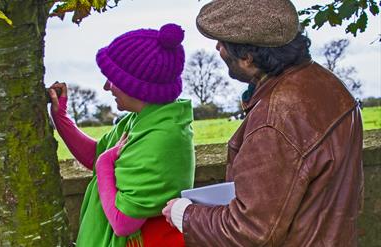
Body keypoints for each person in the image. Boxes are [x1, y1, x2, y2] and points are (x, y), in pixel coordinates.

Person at [162, 0, 364, 246]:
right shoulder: (328, 83)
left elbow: (249, 231)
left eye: (223, 44)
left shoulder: (275, 119)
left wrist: (184, 214)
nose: (217, 48)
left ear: (247, 57)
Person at [49, 23, 195, 247]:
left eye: (113, 78)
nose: (107, 87)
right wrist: (62, 118)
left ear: (135, 85)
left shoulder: (165, 138)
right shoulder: (142, 119)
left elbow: (123, 223)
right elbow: (95, 153)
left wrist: (104, 162)